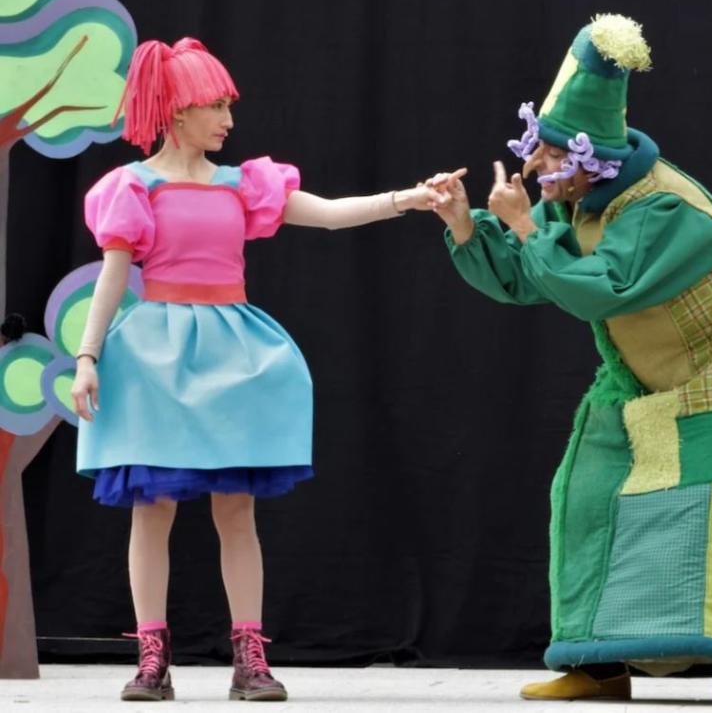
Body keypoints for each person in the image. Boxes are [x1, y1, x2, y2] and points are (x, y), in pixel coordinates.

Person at [428, 13, 712, 707]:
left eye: (547, 158)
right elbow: (530, 277)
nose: (532, 169)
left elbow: (600, 288)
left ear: (588, 159)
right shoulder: (579, 199)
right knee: (589, 492)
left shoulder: (661, 207)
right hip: (638, 362)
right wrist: (466, 224)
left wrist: (524, 225)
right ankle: (598, 663)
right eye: (535, 152)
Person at [70, 37, 444, 703]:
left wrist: (406, 198)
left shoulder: (241, 184)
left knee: (236, 509)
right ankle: (152, 659)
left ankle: (250, 657)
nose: (229, 120)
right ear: (177, 111)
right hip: (154, 356)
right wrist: (87, 357)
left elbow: (328, 215)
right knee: (151, 509)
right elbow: (112, 278)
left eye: (228, 106)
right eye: (216, 106)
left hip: (231, 354)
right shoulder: (134, 187)